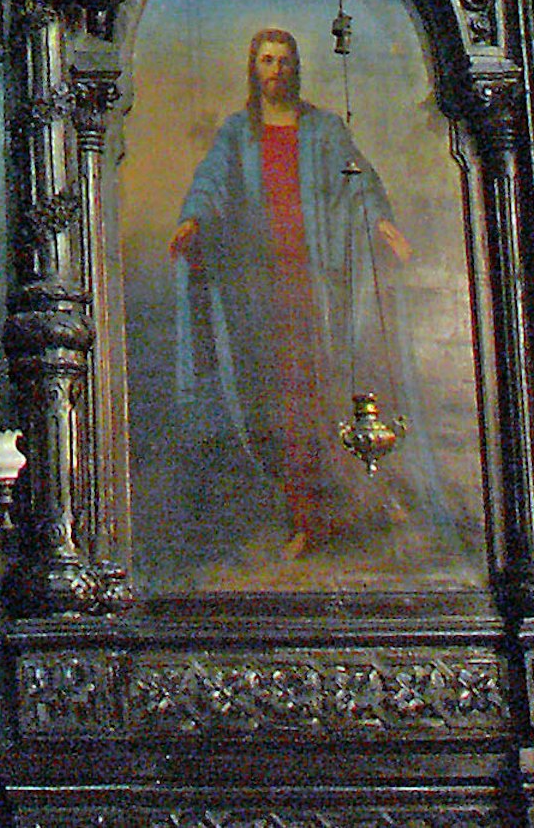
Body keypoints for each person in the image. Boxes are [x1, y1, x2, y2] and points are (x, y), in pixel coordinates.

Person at [172, 27, 409, 551]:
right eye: (266, 60)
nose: (276, 70)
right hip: (260, 290)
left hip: (316, 280)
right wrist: (193, 219)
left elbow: (358, 180)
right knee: (275, 396)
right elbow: (211, 181)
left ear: (296, 67)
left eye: (284, 60)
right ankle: (304, 512)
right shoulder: (238, 133)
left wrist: (380, 222)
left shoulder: (323, 129)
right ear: (253, 68)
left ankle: (340, 506)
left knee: (321, 391)